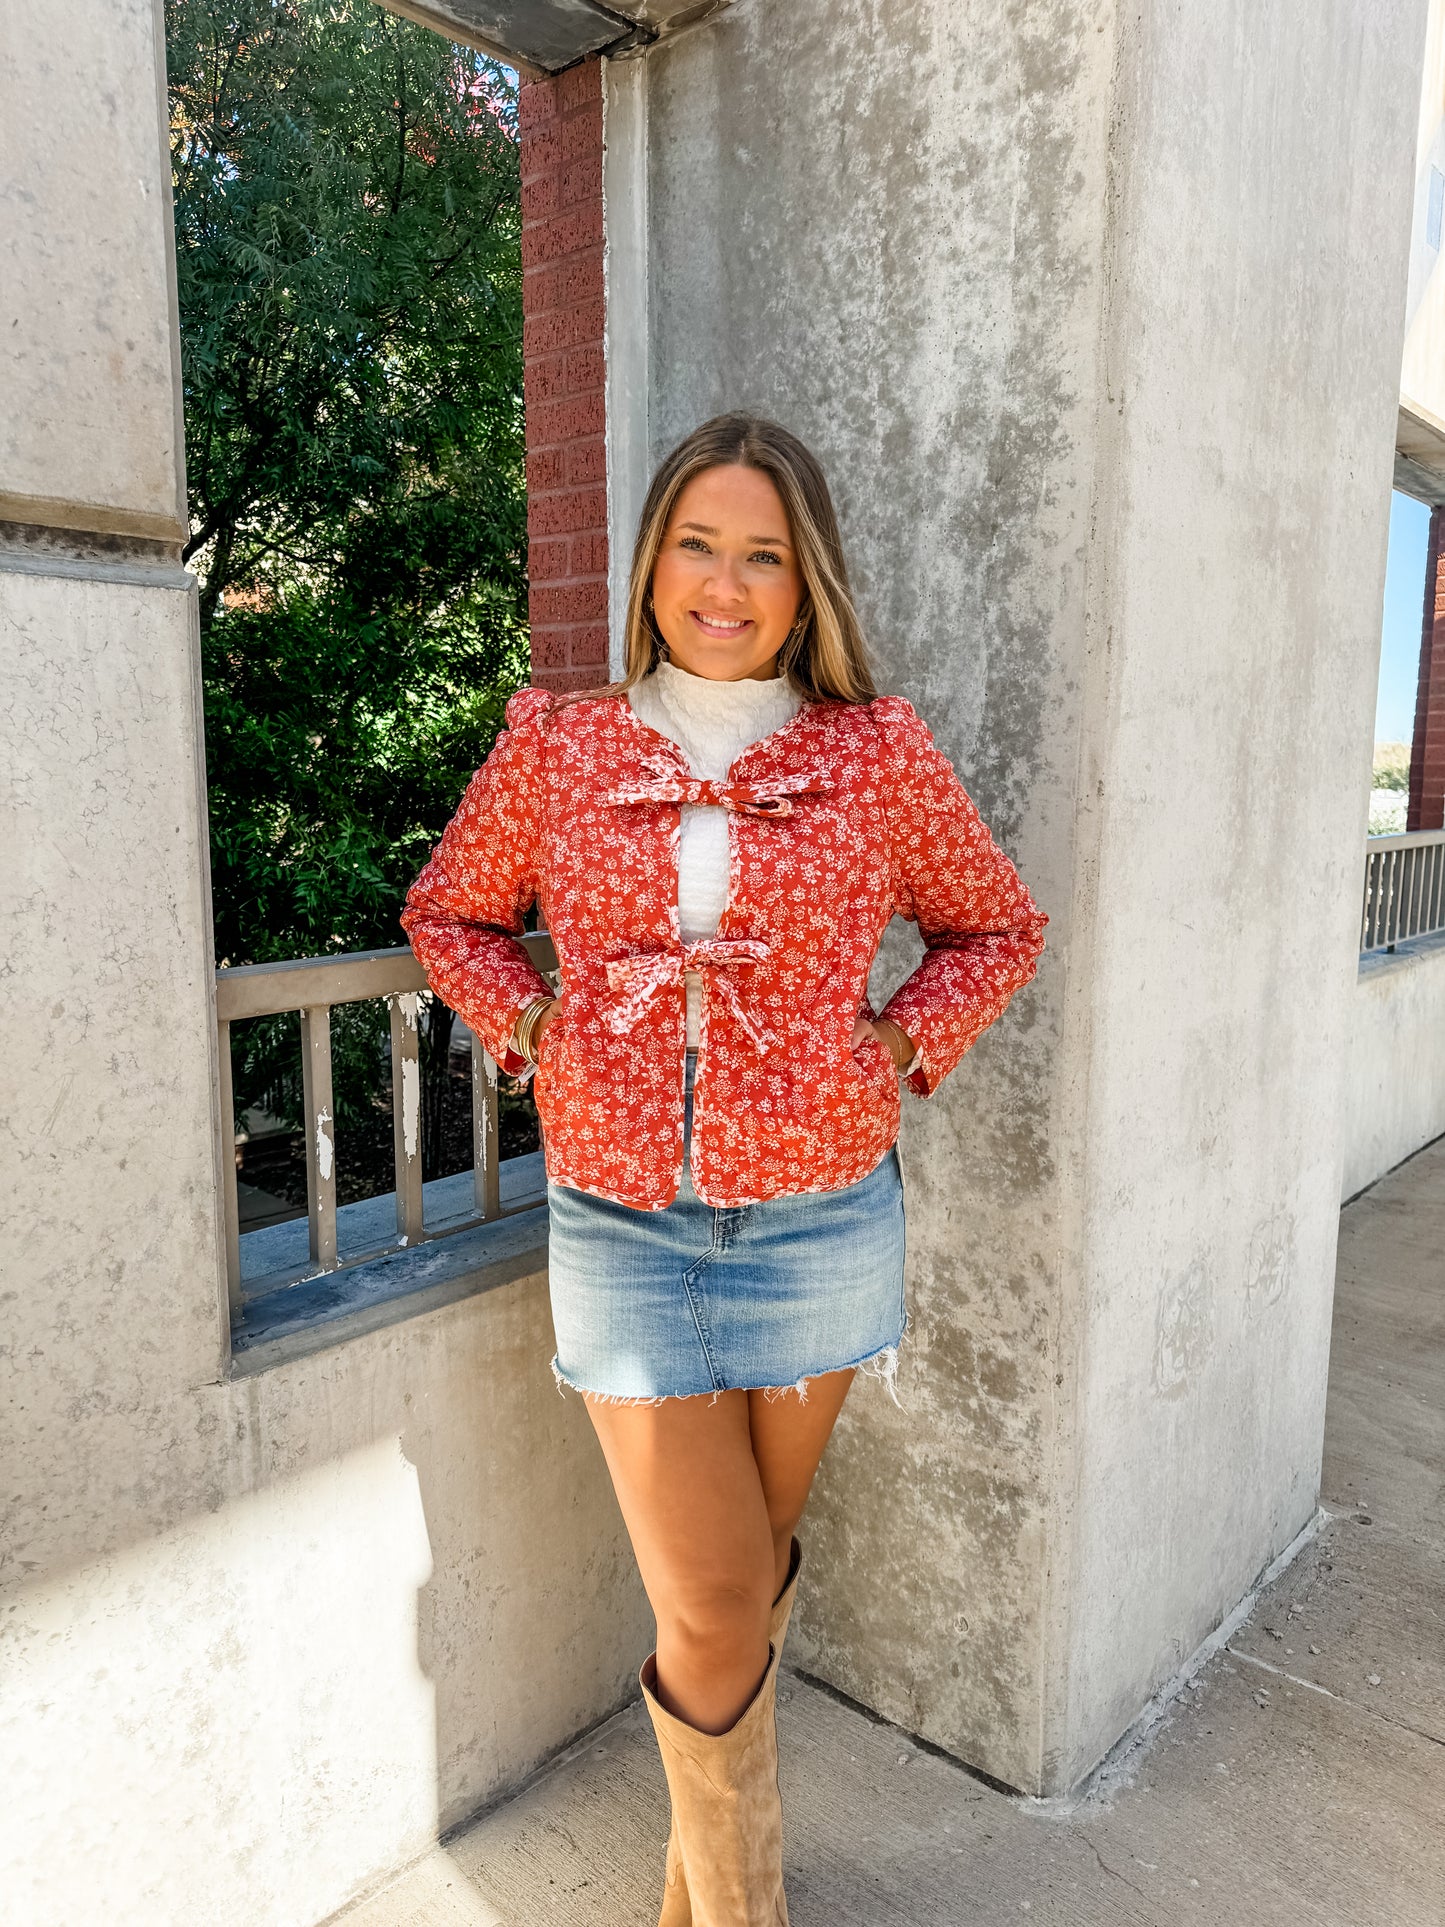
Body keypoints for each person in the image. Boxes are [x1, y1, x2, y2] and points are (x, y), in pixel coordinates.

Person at [401, 413, 1046, 1925]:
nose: (726, 580)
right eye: (699, 542)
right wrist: (538, 1026)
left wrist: (891, 1052)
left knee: (738, 1586)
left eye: (762, 553)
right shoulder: (558, 747)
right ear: (652, 559)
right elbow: (452, 914)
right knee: (705, 1599)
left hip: (821, 1217)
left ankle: (697, 1896)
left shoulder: (871, 753)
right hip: (625, 1225)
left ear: (803, 579)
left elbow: (994, 927)